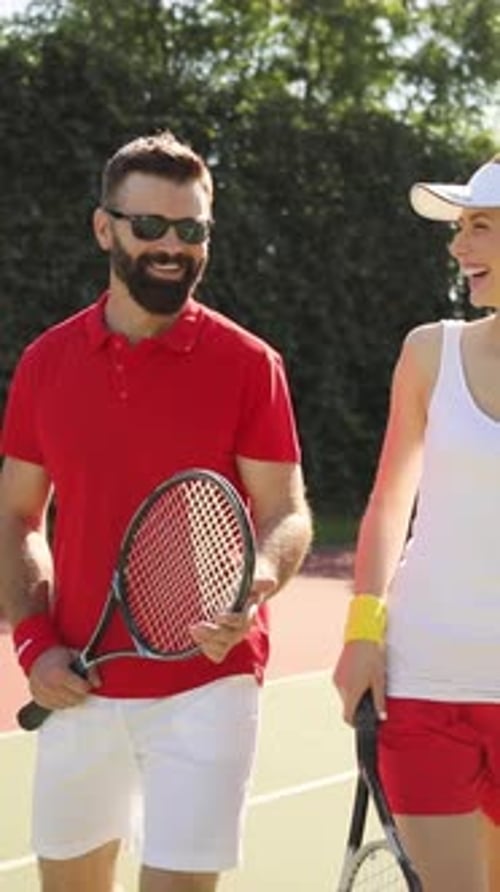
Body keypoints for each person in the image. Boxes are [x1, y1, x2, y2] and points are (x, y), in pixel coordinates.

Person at [0, 130, 312, 892]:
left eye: (191, 230)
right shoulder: (45, 364)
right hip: (79, 680)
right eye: (150, 226)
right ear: (104, 228)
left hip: (210, 684)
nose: (172, 246)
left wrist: (260, 578)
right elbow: (15, 518)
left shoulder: (250, 365)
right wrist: (35, 644)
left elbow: (286, 511)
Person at [333, 155, 500, 892]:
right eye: (460, 227)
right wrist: (362, 632)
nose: (459, 245)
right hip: (422, 686)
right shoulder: (429, 352)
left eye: (480, 226)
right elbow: (388, 502)